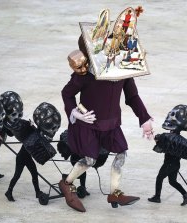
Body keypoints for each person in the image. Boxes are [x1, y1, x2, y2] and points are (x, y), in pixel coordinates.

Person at [59, 35, 154, 212]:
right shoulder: (87, 74)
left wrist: (144, 119)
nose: (114, 52)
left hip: (111, 124)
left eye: (116, 48)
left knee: (121, 154)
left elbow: (132, 96)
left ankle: (114, 193)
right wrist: (75, 113)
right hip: (89, 123)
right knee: (90, 160)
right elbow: (67, 93)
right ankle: (66, 183)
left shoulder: (123, 71)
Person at [0, 91, 60, 205]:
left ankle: (37, 192)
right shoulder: (21, 127)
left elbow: (17, 133)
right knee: (17, 175)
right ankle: (9, 191)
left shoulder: (22, 127)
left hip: (26, 154)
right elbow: (15, 133)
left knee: (34, 173)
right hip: (22, 156)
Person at [148, 105, 187, 206]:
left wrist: (156, 137)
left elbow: (160, 144)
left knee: (159, 178)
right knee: (172, 181)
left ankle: (157, 197)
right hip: (175, 165)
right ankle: (185, 195)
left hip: (169, 164)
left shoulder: (170, 138)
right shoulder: (178, 140)